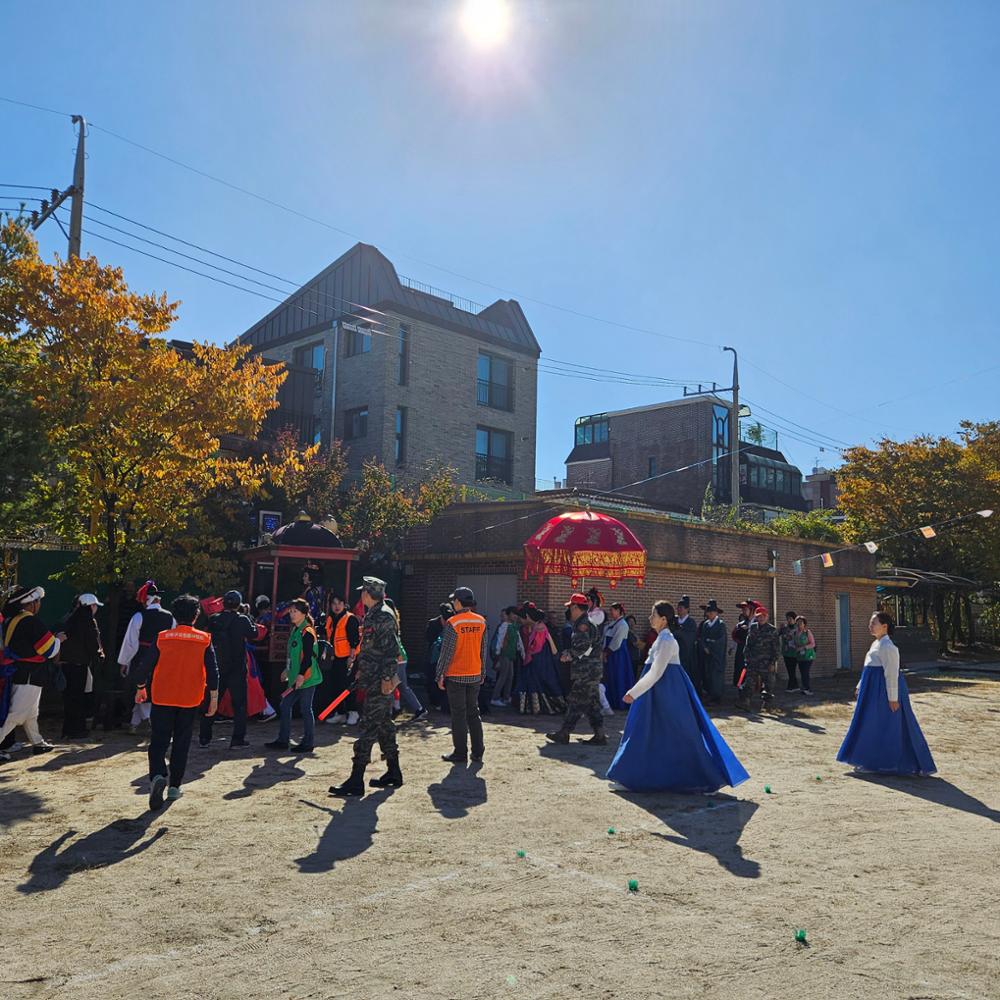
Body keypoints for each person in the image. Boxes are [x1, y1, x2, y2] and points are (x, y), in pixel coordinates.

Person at [607, 601, 749, 793]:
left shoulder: (667, 641)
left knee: (678, 736)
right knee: (645, 733)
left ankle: (706, 779)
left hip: (667, 693)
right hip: (656, 693)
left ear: (663, 619)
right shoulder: (661, 639)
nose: (650, 618)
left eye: (653, 614)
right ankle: (630, 777)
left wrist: (634, 692)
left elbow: (656, 672)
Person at [133, 594, 219, 809]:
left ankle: (157, 776)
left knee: (159, 741)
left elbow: (145, 666)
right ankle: (174, 787)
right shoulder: (204, 639)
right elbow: (213, 671)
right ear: (196, 615)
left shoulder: (163, 637)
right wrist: (214, 699)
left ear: (173, 614)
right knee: (181, 743)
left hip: (163, 696)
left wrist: (141, 688)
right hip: (190, 699)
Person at [837, 612, 935, 775]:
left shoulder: (889, 647)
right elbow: (868, 669)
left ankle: (880, 764)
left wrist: (893, 698)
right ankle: (871, 761)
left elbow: (891, 674)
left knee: (885, 726)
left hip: (883, 693)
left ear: (885, 626)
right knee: (872, 724)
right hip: (873, 691)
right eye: (870, 622)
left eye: (873, 622)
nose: (870, 625)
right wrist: (860, 685)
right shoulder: (876, 644)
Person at [330, 577, 403, 796]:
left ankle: (355, 779)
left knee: (368, 727)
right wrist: (362, 669)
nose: (360, 595)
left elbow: (392, 652)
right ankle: (393, 771)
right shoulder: (373, 614)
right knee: (384, 726)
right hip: (371, 678)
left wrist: (386, 679)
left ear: (367, 594)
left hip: (380, 680)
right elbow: (372, 648)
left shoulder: (383, 615)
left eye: (363, 592)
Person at [199, 590, 265, 750]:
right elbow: (256, 634)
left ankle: (204, 738)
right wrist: (248, 616)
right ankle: (237, 739)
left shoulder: (213, 619)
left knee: (211, 701)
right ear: (238, 604)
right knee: (239, 705)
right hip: (237, 667)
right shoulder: (242, 620)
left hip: (217, 667)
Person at [0, 585, 60, 759]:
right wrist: (58, 640)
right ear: (31, 603)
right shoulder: (30, 621)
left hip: (19, 671)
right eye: (38, 601)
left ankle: (38, 742)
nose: (39, 604)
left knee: (31, 712)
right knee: (16, 715)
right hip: (29, 674)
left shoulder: (11, 619)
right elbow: (49, 650)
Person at [436, 587, 488, 764]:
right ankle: (478, 751)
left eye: (454, 600)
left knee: (458, 715)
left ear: (458, 602)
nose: (453, 603)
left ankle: (460, 752)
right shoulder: (481, 621)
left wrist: (440, 674)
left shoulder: (453, 622)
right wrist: (483, 672)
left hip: (456, 675)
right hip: (474, 673)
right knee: (474, 713)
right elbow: (483, 650)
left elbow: (447, 652)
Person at [546, 592, 606, 746]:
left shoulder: (582, 624)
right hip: (592, 670)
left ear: (575, 607)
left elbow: (583, 645)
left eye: (570, 607)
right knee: (592, 703)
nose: (569, 611)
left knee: (575, 701)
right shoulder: (586, 622)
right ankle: (599, 735)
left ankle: (564, 733)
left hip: (586, 670)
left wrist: (569, 655)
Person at [265, 598, 322, 753]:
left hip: (307, 678)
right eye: (291, 611)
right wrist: (287, 670)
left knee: (305, 709)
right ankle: (283, 740)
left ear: (304, 613)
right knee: (285, 705)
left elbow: (308, 657)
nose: (292, 614)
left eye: (295, 611)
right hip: (297, 678)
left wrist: (301, 675)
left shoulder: (307, 631)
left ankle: (308, 743)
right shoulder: (296, 630)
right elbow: (292, 655)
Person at [119, 581, 174, 733]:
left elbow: (130, 643)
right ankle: (135, 723)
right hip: (162, 658)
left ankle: (148, 721)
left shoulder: (139, 616)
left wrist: (124, 661)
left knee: (141, 687)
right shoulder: (170, 618)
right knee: (150, 690)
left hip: (142, 657)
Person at [60, 593, 105, 739]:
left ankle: (68, 729)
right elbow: (92, 644)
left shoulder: (70, 619)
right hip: (79, 665)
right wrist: (99, 656)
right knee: (78, 698)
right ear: (91, 606)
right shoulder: (89, 621)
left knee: (69, 699)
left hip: (67, 665)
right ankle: (77, 730)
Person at [513, 607, 566, 715]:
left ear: (528, 617)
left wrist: (530, 653)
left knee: (540, 682)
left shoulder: (539, 627)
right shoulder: (538, 626)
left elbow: (537, 646)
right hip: (541, 658)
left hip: (540, 659)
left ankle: (543, 707)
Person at [320, 593, 361, 724]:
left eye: (339, 603)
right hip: (335, 658)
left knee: (348, 685)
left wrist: (351, 657)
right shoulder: (331, 619)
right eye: (334, 604)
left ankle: (353, 712)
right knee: (336, 686)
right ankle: (340, 712)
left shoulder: (350, 618)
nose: (337, 606)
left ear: (344, 604)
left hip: (347, 658)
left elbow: (355, 640)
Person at [385, 597, 425, 722]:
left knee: (400, 686)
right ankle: (395, 709)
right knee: (395, 686)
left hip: (398, 658)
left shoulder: (389, 620)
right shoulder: (392, 620)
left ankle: (419, 709)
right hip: (399, 658)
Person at [736, 605, 780, 711]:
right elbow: (748, 644)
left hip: (766, 663)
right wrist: (747, 658)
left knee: (768, 684)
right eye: (759, 616)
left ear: (767, 617)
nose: (761, 618)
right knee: (749, 683)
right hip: (753, 662)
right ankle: (745, 703)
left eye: (763, 616)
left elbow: (777, 649)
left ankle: (767, 705)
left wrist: (773, 663)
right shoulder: (753, 627)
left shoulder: (772, 630)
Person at [602, 602, 633, 710]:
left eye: (613, 610)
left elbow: (617, 642)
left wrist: (606, 652)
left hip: (618, 655)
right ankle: (611, 701)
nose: (611, 612)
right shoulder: (612, 623)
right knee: (610, 677)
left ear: (619, 611)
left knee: (619, 676)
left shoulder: (623, 624)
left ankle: (621, 702)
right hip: (610, 654)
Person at [491, 606, 523, 707]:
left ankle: (506, 697)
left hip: (511, 654)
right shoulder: (504, 625)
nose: (515, 616)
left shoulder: (514, 626)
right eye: (513, 614)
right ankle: (495, 698)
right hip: (504, 654)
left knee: (510, 676)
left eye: (516, 614)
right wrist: (497, 652)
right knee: (503, 676)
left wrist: (522, 651)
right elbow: (500, 639)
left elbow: (518, 640)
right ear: (509, 614)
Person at [698, 600, 728, 705]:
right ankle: (710, 694)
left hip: (717, 654)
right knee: (708, 674)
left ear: (716, 613)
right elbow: (702, 637)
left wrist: (710, 647)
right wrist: (704, 646)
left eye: (712, 612)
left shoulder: (720, 624)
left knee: (716, 675)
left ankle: (717, 697)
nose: (709, 614)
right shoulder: (706, 624)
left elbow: (721, 641)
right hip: (707, 654)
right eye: (708, 612)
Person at [424, 603, 452, 712]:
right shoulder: (433, 623)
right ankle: (434, 700)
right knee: (432, 677)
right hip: (434, 656)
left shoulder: (451, 622)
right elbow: (428, 638)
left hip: (444, 655)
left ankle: (441, 701)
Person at [672, 595, 701, 695]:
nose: (678, 610)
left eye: (681, 608)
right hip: (675, 652)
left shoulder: (691, 622)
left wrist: (678, 633)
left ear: (687, 609)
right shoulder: (674, 621)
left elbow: (690, 637)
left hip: (687, 653)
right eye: (678, 608)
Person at [731, 600, 755, 688]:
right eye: (743, 610)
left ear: (751, 610)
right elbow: (735, 636)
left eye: (745, 609)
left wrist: (749, 629)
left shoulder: (758, 623)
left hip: (754, 655)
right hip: (742, 654)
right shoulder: (741, 624)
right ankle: (742, 692)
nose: (743, 611)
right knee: (740, 674)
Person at [794, 615, 817, 696]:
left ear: (804, 624)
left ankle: (808, 689)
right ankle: (804, 688)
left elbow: (813, 644)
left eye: (801, 623)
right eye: (797, 623)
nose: (799, 625)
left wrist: (803, 647)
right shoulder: (795, 633)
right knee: (802, 672)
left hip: (808, 655)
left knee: (805, 672)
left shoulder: (807, 632)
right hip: (800, 656)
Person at [779, 611, 800, 692]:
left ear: (794, 619)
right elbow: (776, 634)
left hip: (794, 652)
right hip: (786, 652)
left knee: (792, 669)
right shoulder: (784, 628)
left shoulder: (797, 628)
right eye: (787, 619)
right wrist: (780, 629)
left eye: (790, 619)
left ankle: (790, 686)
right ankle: (796, 686)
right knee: (789, 669)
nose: (789, 620)